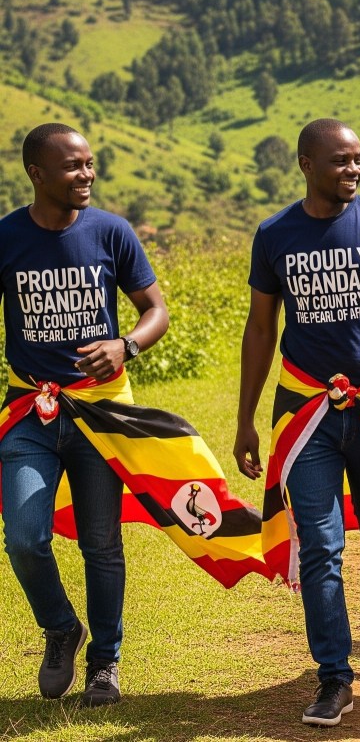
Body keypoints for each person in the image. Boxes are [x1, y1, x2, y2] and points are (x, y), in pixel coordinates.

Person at [233, 118, 360, 728]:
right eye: (340, 160)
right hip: (304, 413)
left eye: (358, 159)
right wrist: (245, 420)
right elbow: (262, 329)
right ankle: (334, 677)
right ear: (306, 165)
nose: (353, 169)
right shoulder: (274, 235)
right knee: (320, 547)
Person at [0, 122, 169, 707]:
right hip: (30, 412)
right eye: (73, 167)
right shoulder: (7, 238)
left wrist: (127, 346)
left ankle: (105, 664)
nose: (87, 175)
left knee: (101, 542)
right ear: (37, 174)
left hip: (101, 414)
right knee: (23, 537)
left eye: (90, 164)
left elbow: (155, 309)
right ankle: (59, 628)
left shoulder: (112, 232)